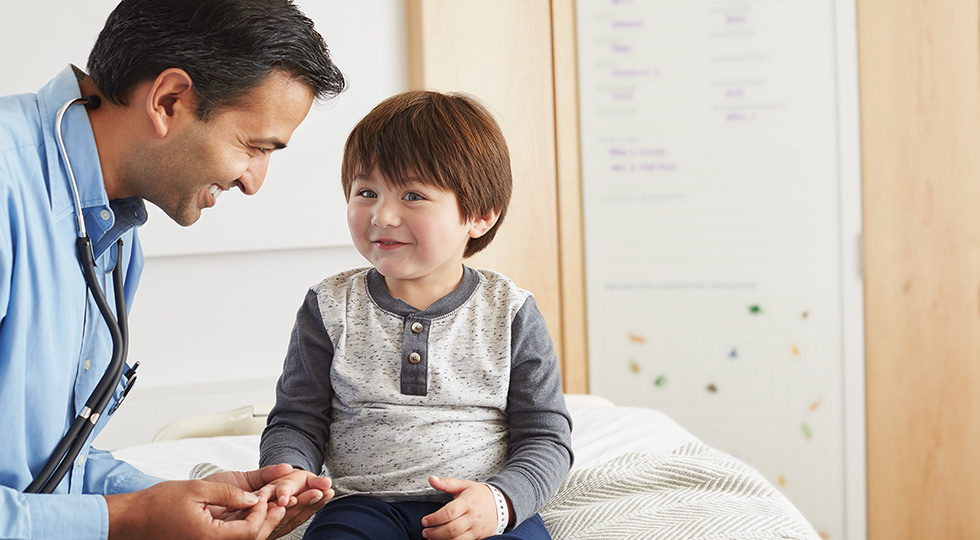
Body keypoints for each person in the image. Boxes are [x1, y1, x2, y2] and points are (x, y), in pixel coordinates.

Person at [0, 1, 346, 539]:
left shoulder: (112, 229)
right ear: (168, 100)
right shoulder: (5, 189)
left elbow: (49, 473)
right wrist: (129, 520)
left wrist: (187, 502)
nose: (255, 181)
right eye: (254, 147)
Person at [258, 91, 574, 540]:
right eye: (367, 192)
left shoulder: (510, 311)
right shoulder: (328, 305)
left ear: (480, 215)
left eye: (412, 195)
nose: (383, 215)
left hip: (477, 504)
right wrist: (286, 472)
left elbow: (546, 437)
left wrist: (502, 502)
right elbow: (296, 419)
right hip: (361, 505)